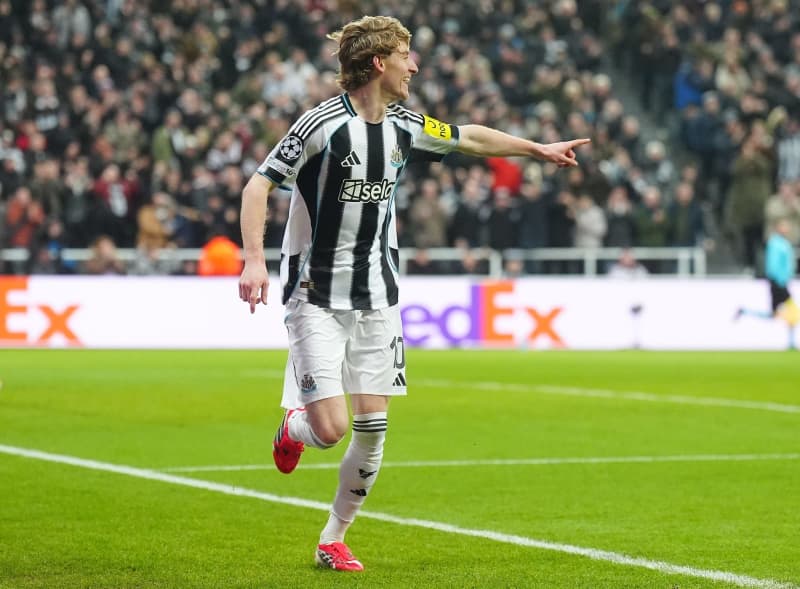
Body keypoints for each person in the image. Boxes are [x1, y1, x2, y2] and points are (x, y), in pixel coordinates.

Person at [237, 15, 590, 572]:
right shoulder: (321, 127)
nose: (416, 66)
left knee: (373, 430)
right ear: (380, 63)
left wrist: (536, 149)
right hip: (317, 295)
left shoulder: (405, 124)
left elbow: (469, 136)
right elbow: (259, 183)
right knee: (330, 431)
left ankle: (333, 537)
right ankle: (294, 426)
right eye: (408, 55)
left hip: (379, 295)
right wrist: (254, 260)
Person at [735, 218, 798, 349]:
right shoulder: (776, 243)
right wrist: (779, 280)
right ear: (778, 228)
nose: (787, 229)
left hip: (780, 283)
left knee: (775, 314)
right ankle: (791, 342)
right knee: (793, 312)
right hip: (778, 283)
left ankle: (745, 311)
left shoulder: (783, 243)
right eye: (784, 226)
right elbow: (774, 265)